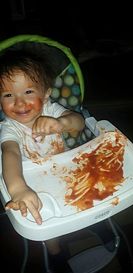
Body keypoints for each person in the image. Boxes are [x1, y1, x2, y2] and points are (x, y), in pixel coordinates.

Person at [0, 49, 85, 266]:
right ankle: (56, 253)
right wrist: (18, 189)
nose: (19, 103)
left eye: (28, 92)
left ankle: (92, 227)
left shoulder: (51, 110)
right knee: (44, 223)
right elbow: (10, 153)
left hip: (68, 173)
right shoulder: (10, 128)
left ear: (45, 93)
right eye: (8, 95)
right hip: (35, 185)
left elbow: (79, 122)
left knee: (89, 205)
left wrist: (62, 123)